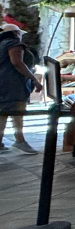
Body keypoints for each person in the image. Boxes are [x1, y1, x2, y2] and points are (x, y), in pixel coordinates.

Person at [0, 23, 41, 154]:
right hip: (13, 84)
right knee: (17, 111)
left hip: (2, 84)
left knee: (3, 113)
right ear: (16, 34)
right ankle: (20, 140)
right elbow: (17, 63)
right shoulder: (14, 44)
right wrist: (33, 78)